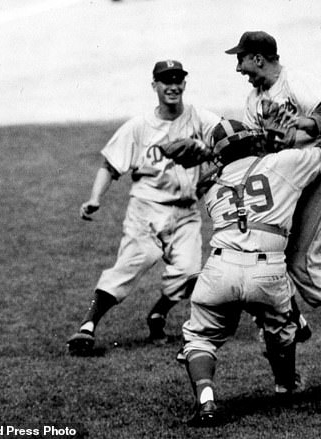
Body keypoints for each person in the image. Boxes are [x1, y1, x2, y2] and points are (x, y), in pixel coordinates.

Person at [178, 119, 321, 426]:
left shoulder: (210, 186)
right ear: (253, 142)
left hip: (219, 267)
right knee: (281, 331)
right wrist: (317, 122)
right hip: (267, 269)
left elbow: (212, 173)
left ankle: (207, 401)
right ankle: (285, 384)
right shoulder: (283, 163)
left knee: (199, 338)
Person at [225, 31, 321, 364]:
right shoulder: (253, 99)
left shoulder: (295, 81)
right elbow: (259, 146)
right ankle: (296, 320)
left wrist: (296, 124)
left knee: (302, 264)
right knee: (267, 253)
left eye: (241, 60)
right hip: (291, 184)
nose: (238, 69)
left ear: (258, 58)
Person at [66, 60, 221, 355]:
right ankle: (87, 326)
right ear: (155, 86)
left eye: (178, 80)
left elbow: (226, 135)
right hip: (146, 210)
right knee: (132, 263)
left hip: (186, 212)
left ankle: (158, 313)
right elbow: (110, 165)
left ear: (185, 84)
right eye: (166, 81)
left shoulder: (200, 118)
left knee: (190, 273)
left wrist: (210, 150)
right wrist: (94, 198)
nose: (173, 86)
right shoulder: (139, 126)